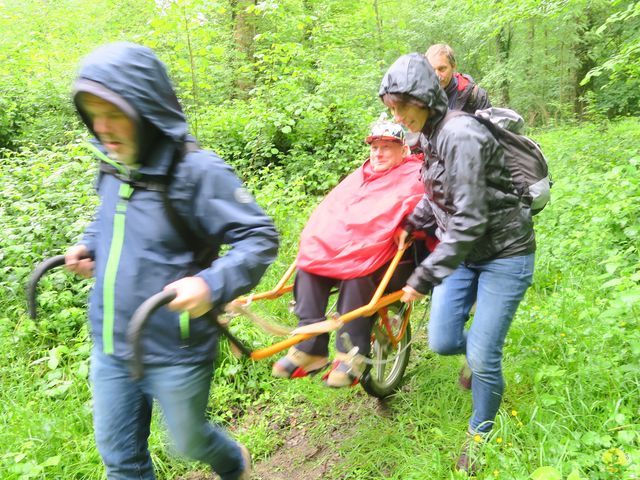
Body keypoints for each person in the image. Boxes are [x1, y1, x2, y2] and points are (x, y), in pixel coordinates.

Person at [65, 42, 279, 480]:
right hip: (111, 343)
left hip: (175, 348)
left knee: (188, 441)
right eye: (93, 112)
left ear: (145, 109)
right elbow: (109, 221)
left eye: (114, 112)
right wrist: (90, 246)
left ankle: (233, 461)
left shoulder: (197, 171)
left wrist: (211, 285)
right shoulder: (112, 160)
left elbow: (258, 237)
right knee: (121, 462)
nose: (102, 127)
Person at [379, 53, 535, 473]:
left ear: (424, 96)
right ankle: (484, 360)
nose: (396, 115)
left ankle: (480, 432)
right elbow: (437, 196)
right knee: (443, 341)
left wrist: (425, 274)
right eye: (390, 107)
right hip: (464, 254)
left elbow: (470, 217)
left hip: (505, 252)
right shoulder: (428, 134)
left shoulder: (460, 133)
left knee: (483, 357)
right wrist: (413, 223)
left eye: (401, 105)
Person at [271, 120, 425, 387]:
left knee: (357, 274)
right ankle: (310, 347)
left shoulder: (414, 175)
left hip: (396, 258)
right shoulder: (360, 175)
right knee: (309, 264)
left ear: (403, 150)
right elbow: (333, 214)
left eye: (387, 147)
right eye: (375, 147)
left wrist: (408, 226)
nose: (378, 153)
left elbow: (421, 211)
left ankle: (351, 354)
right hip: (351, 251)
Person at [425, 43, 491, 113]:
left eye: (442, 69)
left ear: (453, 66)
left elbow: (488, 123)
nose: (436, 76)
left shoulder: (475, 95)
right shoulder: (421, 97)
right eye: (431, 69)